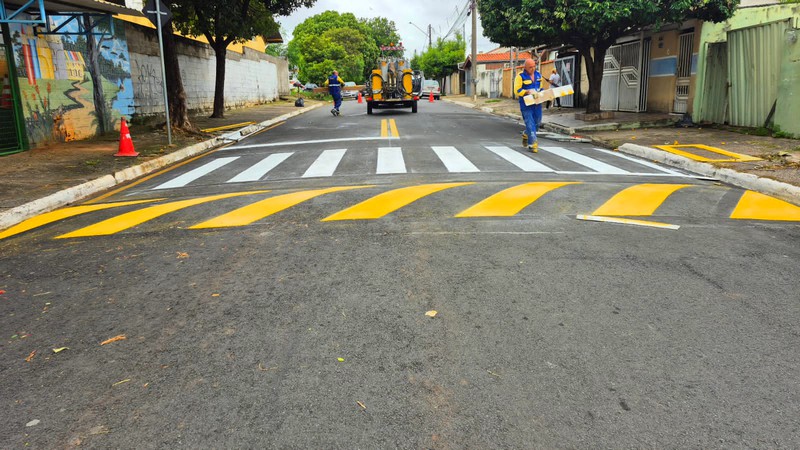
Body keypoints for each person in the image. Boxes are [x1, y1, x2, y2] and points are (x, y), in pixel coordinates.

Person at [514, 58, 543, 152]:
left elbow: (541, 88)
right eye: (530, 67)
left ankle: (526, 134)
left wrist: (545, 93)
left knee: (537, 123)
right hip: (526, 105)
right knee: (530, 123)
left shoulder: (538, 75)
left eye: (534, 66)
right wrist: (527, 91)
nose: (533, 68)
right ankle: (533, 144)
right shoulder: (520, 76)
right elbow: (517, 90)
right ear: (525, 67)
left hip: (537, 103)